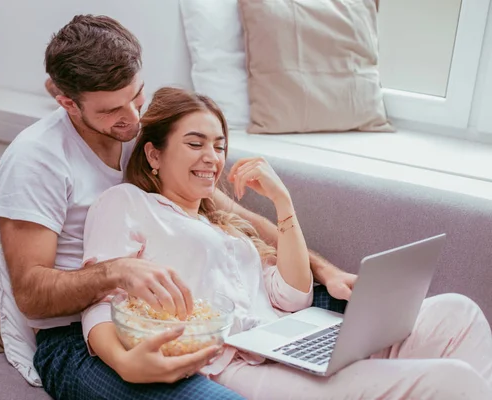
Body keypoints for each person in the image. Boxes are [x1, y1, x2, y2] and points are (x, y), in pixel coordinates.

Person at [0, 14, 354, 399]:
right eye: (112, 110)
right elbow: (31, 293)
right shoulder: (36, 160)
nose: (133, 119)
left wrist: (325, 270)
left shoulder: (138, 135)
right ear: (66, 101)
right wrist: (117, 273)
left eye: (136, 96)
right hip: (75, 340)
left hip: (173, 310)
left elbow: (229, 213)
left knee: (358, 312)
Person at [80, 86, 492, 400]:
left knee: (460, 313)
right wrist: (123, 361)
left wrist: (283, 202)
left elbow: (294, 296)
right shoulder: (127, 203)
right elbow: (98, 297)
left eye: (219, 145)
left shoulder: (224, 225)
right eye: (195, 143)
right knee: (451, 381)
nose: (212, 157)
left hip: (287, 337)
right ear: (153, 155)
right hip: (234, 362)